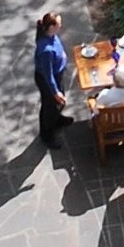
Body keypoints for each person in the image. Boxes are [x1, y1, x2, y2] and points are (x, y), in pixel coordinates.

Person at [33, 11, 72, 146]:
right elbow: (48, 75)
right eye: (58, 24)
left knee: (58, 103)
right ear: (51, 27)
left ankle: (57, 119)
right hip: (48, 80)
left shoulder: (51, 36)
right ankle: (47, 135)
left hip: (57, 75)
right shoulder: (46, 50)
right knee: (50, 106)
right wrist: (55, 92)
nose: (61, 26)